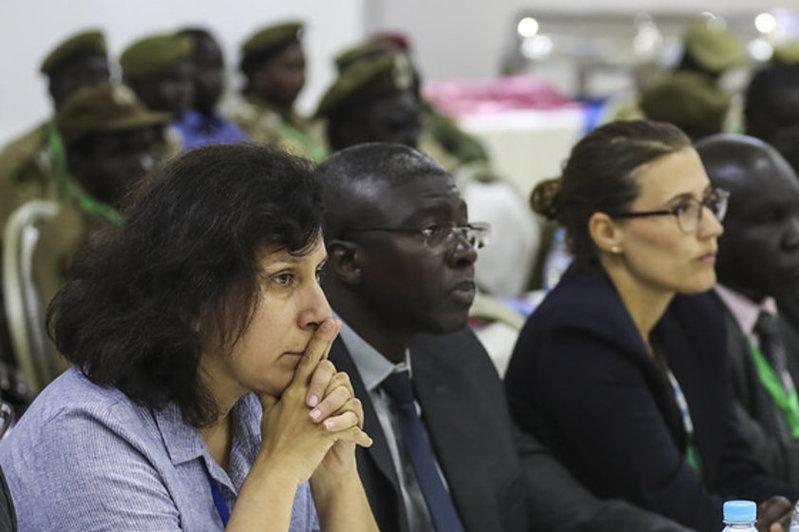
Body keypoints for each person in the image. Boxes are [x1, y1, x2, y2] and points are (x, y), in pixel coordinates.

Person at [317, 141, 697, 532]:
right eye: (432, 230)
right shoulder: (307, 389)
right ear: (347, 260)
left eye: (464, 229)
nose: (465, 252)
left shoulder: (453, 353)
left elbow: (559, 505)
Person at [0, 144, 378, 531]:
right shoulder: (87, 437)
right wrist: (279, 468)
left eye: (317, 274)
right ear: (193, 296)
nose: (322, 314)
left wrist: (336, 475)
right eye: (283, 278)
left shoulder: (259, 402)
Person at [504, 120, 798, 532]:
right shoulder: (578, 339)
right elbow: (664, 503)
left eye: (709, 201)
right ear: (608, 231)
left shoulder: (690, 304)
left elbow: (734, 467)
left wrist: (781, 513)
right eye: (683, 209)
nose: (713, 227)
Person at [695, 134, 799, 485]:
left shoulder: (784, 293)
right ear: (709, 228)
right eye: (769, 218)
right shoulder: (691, 326)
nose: (794, 237)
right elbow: (757, 467)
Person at [0, 28, 110, 226]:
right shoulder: (22, 156)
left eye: (105, 76)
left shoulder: (137, 145)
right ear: (54, 89)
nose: (99, 88)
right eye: (85, 78)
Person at [228, 21, 326, 161]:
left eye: (302, 67)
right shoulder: (241, 123)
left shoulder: (305, 122)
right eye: (290, 68)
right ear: (258, 73)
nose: (300, 78)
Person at [119, 32, 195, 153]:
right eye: (173, 80)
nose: (184, 91)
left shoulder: (172, 139)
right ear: (135, 85)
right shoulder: (119, 144)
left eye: (187, 80)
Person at [175, 27, 248, 149]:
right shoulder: (170, 132)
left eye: (219, 66)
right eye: (207, 66)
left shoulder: (230, 131)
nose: (217, 78)